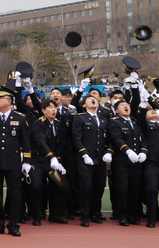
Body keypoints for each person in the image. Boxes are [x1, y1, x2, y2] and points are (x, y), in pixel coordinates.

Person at [0, 84, 31, 237]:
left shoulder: (20, 118)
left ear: (9, 101)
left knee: (15, 194)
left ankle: (13, 224)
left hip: (13, 162)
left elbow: (26, 142)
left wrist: (27, 162)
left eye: (0, 98)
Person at [72, 94, 111, 227]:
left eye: (94, 99)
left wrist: (108, 153)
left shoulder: (103, 120)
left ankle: (95, 213)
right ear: (84, 105)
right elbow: (76, 138)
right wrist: (84, 154)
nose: (93, 100)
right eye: (89, 99)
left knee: (99, 187)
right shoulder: (80, 118)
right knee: (86, 188)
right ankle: (85, 215)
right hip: (86, 159)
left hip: (100, 159)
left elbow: (108, 139)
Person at [29, 99, 69, 225]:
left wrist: (59, 160)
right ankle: (36, 215)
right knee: (36, 187)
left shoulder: (57, 123)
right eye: (50, 108)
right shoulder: (38, 124)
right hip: (37, 161)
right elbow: (41, 142)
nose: (54, 110)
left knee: (61, 185)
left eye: (55, 108)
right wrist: (51, 157)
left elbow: (59, 144)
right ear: (43, 110)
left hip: (52, 163)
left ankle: (55, 214)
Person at [108, 99, 145, 226]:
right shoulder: (115, 122)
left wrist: (143, 152)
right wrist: (128, 151)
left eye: (127, 105)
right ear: (117, 110)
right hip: (122, 162)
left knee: (135, 190)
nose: (126, 107)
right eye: (123, 105)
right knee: (123, 190)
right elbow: (116, 138)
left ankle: (133, 215)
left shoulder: (135, 122)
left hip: (136, 162)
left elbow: (143, 139)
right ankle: (122, 216)